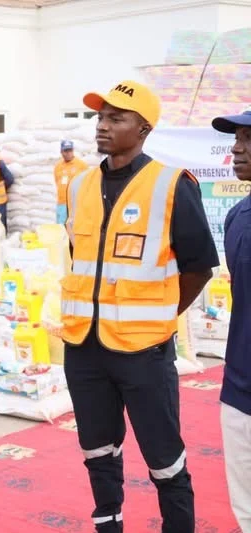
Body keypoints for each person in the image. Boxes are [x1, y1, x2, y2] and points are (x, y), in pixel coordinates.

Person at [62, 80, 219, 533]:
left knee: (165, 460)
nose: (103, 127)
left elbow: (199, 268)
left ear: (144, 129)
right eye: (101, 117)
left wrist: (160, 317)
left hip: (144, 351)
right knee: (97, 451)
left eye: (117, 118)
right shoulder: (80, 186)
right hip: (84, 346)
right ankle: (108, 523)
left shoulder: (172, 185)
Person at [212, 108, 251, 531]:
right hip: (240, 390)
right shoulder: (237, 217)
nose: (235, 148)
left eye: (246, 138)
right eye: (236, 137)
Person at [53, 140, 89, 224]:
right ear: (61, 152)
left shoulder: (81, 165)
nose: (68, 153)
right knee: (61, 227)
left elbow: (87, 183)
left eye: (70, 150)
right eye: (66, 151)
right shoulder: (58, 166)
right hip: (62, 202)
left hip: (75, 203)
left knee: (74, 227)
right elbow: (57, 181)